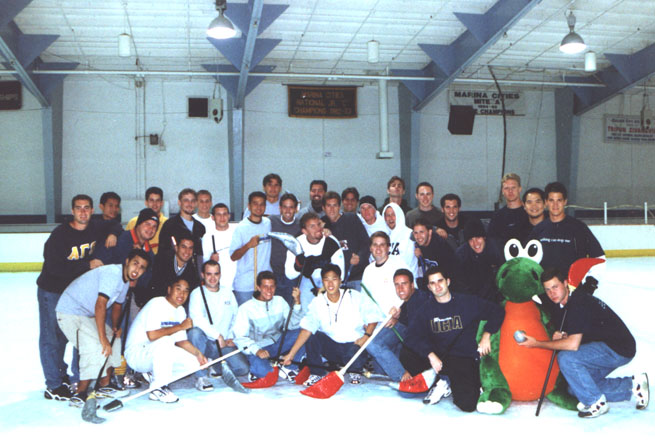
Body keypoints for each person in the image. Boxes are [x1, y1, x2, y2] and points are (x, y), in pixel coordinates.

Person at [519, 268, 649, 418]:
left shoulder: (578, 303)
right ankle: (633, 385)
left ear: (565, 283)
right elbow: (582, 330)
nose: (551, 293)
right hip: (605, 345)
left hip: (618, 348)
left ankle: (596, 403)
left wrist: (537, 343)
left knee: (566, 358)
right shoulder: (564, 302)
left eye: (555, 287)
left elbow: (572, 345)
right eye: (547, 289)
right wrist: (564, 335)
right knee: (577, 388)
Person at [55, 249, 150, 405]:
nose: (137, 270)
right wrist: (102, 338)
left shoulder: (125, 281)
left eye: (142, 267)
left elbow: (117, 306)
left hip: (86, 315)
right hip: (70, 312)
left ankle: (104, 385)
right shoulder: (113, 274)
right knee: (96, 347)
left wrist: (115, 328)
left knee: (115, 339)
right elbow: (100, 305)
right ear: (127, 262)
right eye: (135, 264)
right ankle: (80, 393)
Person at [403, 266, 504, 411]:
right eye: (432, 283)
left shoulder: (467, 302)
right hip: (438, 355)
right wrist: (430, 355)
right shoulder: (426, 309)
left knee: (467, 404)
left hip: (461, 356)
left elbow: (497, 311)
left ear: (448, 281)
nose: (437, 286)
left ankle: (446, 380)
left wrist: (486, 335)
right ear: (429, 287)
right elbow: (410, 336)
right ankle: (442, 378)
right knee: (407, 353)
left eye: (440, 281)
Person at [37, 194, 105, 401]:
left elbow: (113, 226)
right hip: (52, 291)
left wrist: (113, 233)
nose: (83, 212)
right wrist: (86, 265)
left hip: (74, 293)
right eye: (78, 208)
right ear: (72, 211)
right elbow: (54, 267)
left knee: (68, 335)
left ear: (92, 210)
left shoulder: (95, 229)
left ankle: (62, 375)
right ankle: (53, 385)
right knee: (51, 337)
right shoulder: (60, 235)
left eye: (86, 208)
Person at [282, 264, 383, 385]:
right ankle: (317, 373)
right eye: (326, 280)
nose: (330, 284)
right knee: (313, 336)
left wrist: (366, 336)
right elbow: (307, 329)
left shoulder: (354, 296)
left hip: (354, 346)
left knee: (356, 352)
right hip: (332, 348)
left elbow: (373, 317)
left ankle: (355, 370)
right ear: (322, 282)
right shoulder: (317, 302)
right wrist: (291, 355)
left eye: (334, 279)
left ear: (340, 280)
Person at [125, 277, 208, 403]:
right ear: (169, 290)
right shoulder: (156, 304)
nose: (182, 294)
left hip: (157, 352)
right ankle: (158, 388)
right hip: (137, 354)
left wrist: (198, 354)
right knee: (166, 341)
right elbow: (152, 336)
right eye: (178, 289)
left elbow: (181, 341)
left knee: (194, 364)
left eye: (186, 291)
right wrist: (180, 326)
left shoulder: (180, 311)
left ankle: (155, 376)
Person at [187, 260, 249, 391]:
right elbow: (196, 319)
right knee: (194, 333)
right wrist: (217, 335)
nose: (213, 278)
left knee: (242, 368)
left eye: (216, 274)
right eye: (209, 274)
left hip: (223, 344)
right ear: (203, 275)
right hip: (205, 342)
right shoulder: (197, 293)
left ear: (220, 275)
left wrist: (232, 336)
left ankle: (212, 365)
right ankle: (201, 376)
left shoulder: (228, 293)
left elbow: (236, 317)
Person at [232, 271, 304, 382]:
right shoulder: (246, 308)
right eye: (265, 287)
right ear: (258, 287)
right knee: (266, 374)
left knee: (305, 333)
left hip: (278, 343)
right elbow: (239, 338)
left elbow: (292, 326)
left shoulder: (280, 301)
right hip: (259, 348)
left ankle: (288, 367)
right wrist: (256, 350)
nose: (269, 290)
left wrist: (297, 303)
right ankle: (266, 365)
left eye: (272, 286)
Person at [367, 269, 430, 383]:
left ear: (412, 285)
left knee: (373, 344)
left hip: (422, 346)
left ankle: (403, 377)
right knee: (379, 364)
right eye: (397, 285)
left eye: (404, 284)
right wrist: (396, 318)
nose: (400, 289)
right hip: (407, 336)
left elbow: (418, 334)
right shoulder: (408, 300)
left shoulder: (420, 299)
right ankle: (393, 372)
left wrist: (411, 368)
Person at [529, 182, 605, 275]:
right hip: (546, 284)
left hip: (572, 284)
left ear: (565, 202)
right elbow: (527, 260)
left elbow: (599, 257)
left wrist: (590, 282)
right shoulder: (539, 229)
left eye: (559, 200)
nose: (555, 205)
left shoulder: (579, 227)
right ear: (546, 202)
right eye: (551, 200)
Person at [285, 212, 345, 315]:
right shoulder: (296, 244)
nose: (318, 228)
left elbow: (341, 275)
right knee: (307, 314)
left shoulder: (331, 241)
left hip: (328, 281)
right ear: (304, 231)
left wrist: (324, 288)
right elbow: (289, 274)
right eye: (312, 226)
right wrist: (299, 267)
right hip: (307, 282)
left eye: (318, 224)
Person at [321, 191, 370, 291]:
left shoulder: (351, 218)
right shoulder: (322, 224)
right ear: (323, 208)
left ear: (339, 207)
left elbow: (366, 243)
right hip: (336, 282)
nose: (332, 209)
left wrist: (359, 257)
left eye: (335, 205)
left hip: (357, 277)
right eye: (329, 206)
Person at [230, 191, 272, 305]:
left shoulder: (268, 223)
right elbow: (233, 257)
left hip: (265, 284)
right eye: (255, 203)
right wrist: (248, 245)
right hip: (245, 284)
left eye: (262, 204)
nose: (259, 207)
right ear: (249, 206)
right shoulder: (241, 228)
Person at [455, 219, 504, 302]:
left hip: (496, 298)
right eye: (471, 240)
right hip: (473, 300)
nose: (475, 243)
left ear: (484, 237)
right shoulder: (461, 256)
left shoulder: (497, 249)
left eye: (478, 238)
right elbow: (460, 285)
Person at [361, 231, 408, 316]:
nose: (378, 248)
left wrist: (398, 314)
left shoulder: (399, 265)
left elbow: (410, 292)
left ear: (388, 248)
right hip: (376, 319)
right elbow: (365, 299)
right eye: (375, 245)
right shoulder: (368, 270)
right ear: (370, 248)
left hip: (398, 317)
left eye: (382, 245)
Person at [269, 193, 301, 305]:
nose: (288, 210)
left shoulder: (301, 225)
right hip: (273, 274)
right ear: (280, 208)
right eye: (285, 207)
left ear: (296, 209)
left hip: (292, 277)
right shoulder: (271, 221)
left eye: (291, 207)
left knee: (290, 307)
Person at [149, 235, 199, 306]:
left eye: (190, 248)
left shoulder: (193, 270)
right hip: (156, 303)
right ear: (176, 248)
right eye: (183, 247)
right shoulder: (162, 260)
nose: (187, 251)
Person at [412, 218, 460, 291]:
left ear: (430, 232)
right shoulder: (418, 246)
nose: (418, 236)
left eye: (422, 232)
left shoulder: (442, 247)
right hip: (432, 285)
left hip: (449, 286)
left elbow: (452, 275)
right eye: (416, 233)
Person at [158, 188, 206, 259]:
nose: (189, 204)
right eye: (186, 200)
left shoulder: (200, 227)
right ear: (179, 203)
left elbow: (200, 253)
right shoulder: (169, 225)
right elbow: (162, 252)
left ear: (196, 203)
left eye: (192, 201)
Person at [202, 203, 237, 291]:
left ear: (229, 216)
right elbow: (204, 262)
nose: (222, 217)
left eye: (225, 214)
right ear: (213, 217)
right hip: (220, 285)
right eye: (218, 214)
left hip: (239, 283)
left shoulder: (237, 231)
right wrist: (211, 259)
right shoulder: (207, 236)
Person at [487, 173, 530, 245]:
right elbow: (491, 241)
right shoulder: (498, 216)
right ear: (502, 191)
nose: (510, 191)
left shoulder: (529, 212)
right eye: (506, 188)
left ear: (520, 189)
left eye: (513, 187)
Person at [126, 186, 168, 254]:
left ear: (162, 203)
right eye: (151, 200)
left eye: (157, 200)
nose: (154, 204)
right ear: (146, 202)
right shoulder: (133, 222)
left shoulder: (168, 224)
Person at [382, 203, 418, 277]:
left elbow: (407, 260)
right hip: (388, 276)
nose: (391, 218)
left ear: (399, 215)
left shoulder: (409, 234)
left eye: (393, 214)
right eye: (388, 215)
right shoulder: (383, 235)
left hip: (408, 276)